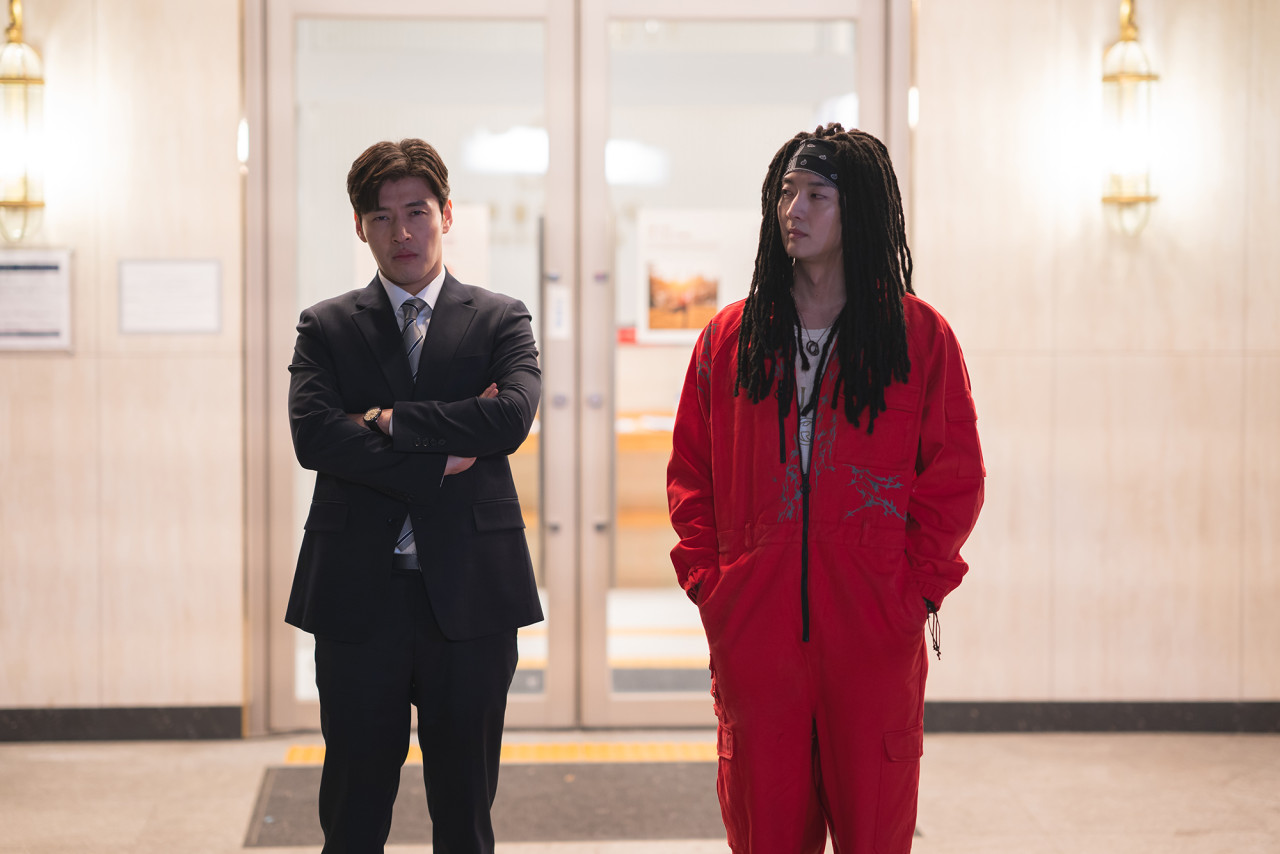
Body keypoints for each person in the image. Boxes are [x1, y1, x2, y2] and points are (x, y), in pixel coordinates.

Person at [666, 123, 985, 853]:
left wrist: (912, 594)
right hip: (756, 629)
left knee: (875, 832)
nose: (794, 210)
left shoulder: (917, 338)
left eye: (817, 195)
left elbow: (955, 479)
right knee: (765, 834)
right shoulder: (731, 339)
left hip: (873, 630)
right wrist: (715, 586)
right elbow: (691, 475)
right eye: (786, 193)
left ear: (859, 210)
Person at [286, 138, 543, 854]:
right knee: (353, 812)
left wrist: (385, 420)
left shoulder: (500, 318)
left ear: (446, 214)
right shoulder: (326, 326)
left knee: (465, 815)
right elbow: (315, 437)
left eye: (417, 212)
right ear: (359, 227)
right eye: (381, 217)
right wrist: (440, 458)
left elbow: (510, 419)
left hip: (472, 597)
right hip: (357, 597)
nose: (401, 232)